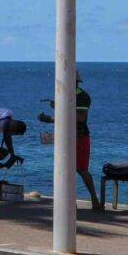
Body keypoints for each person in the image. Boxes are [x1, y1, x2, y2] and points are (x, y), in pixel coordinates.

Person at [40, 74, 101, 213]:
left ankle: (94, 200)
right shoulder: (67, 95)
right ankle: (70, 202)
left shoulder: (83, 97)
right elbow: (67, 116)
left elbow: (80, 118)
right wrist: (53, 114)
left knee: (82, 169)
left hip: (79, 136)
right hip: (66, 135)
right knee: (66, 169)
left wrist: (57, 110)